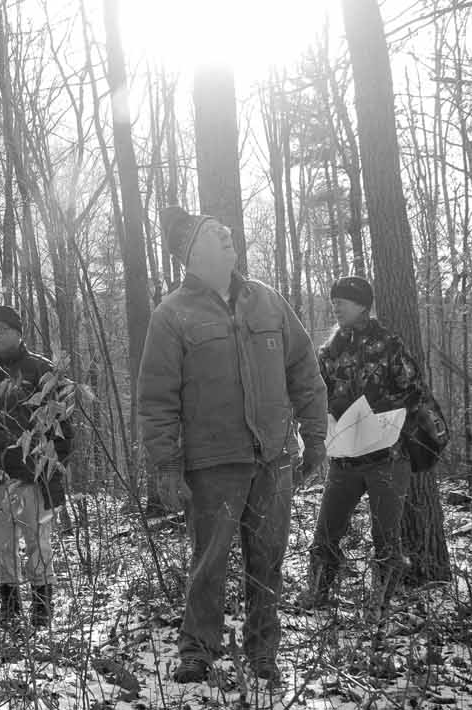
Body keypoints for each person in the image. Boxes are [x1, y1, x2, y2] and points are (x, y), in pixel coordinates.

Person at [137, 206, 328, 685]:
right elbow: (156, 399)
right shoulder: (172, 314)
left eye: (227, 233)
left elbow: (304, 370)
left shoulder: (266, 300)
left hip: (272, 457)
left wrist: (315, 436)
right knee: (209, 561)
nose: (228, 237)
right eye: (216, 234)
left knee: (269, 558)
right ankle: (198, 650)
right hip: (212, 463)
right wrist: (166, 466)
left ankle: (264, 651)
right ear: (192, 252)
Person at [298, 276, 429, 612]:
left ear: (363, 305)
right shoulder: (330, 351)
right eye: (333, 301)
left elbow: (414, 391)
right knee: (325, 533)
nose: (335, 306)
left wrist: (378, 414)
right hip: (344, 461)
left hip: (387, 458)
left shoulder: (388, 344)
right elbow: (315, 395)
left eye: (343, 301)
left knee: (386, 538)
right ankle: (317, 595)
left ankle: (381, 603)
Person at [0, 304, 73, 628]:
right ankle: (9, 611)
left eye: (1, 329)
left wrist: (50, 469)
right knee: (1, 547)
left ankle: (42, 611)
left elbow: (64, 431)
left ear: (18, 332)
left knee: (39, 543)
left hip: (31, 476)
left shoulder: (42, 370)